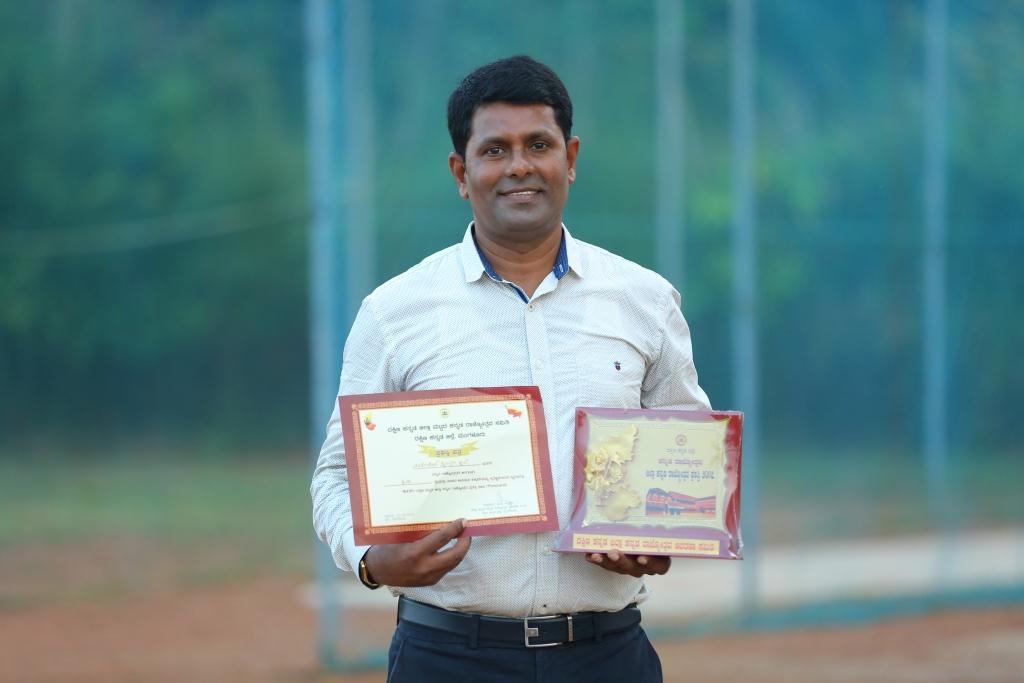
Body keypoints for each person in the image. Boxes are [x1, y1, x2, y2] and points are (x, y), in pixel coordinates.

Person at [311, 55, 710, 682]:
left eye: (539, 145)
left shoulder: (645, 300)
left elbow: (684, 450)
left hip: (607, 656)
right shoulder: (394, 312)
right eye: (495, 150)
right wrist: (370, 560)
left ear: (570, 159)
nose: (519, 166)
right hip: (447, 657)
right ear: (461, 172)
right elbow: (337, 476)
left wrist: (661, 536)